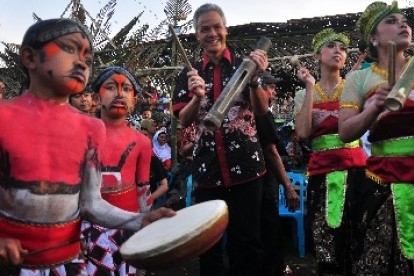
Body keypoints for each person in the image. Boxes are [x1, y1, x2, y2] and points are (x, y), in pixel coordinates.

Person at [0, 18, 175, 274]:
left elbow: (91, 204)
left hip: (70, 262)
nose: (81, 62)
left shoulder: (91, 130)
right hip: (12, 264)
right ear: (29, 57)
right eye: (68, 49)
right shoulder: (4, 119)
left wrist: (139, 220)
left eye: (88, 58)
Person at [338, 1, 414, 274]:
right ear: (373, 37)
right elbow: (346, 132)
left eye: (404, 19)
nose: (403, 24)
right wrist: (374, 108)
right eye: (391, 21)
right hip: (383, 180)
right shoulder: (358, 78)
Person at [171, 3, 270, 275]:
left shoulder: (245, 65)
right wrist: (198, 97)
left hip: (247, 170)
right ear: (197, 35)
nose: (211, 33)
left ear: (225, 29)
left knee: (247, 242)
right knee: (208, 244)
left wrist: (253, 80)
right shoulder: (188, 75)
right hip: (207, 170)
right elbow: (183, 120)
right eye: (204, 29)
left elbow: (261, 110)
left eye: (216, 26)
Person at [293, 28, 366, 275]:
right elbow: (303, 132)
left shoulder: (354, 86)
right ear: (316, 56)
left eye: (343, 48)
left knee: (355, 237)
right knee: (324, 240)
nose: (338, 51)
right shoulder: (304, 93)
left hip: (355, 171)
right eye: (331, 46)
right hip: (320, 172)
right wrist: (311, 87)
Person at [81, 66, 158, 275]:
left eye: (126, 89)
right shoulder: (81, 136)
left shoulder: (142, 141)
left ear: (134, 100)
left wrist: (145, 230)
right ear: (97, 98)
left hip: (129, 224)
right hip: (89, 228)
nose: (119, 94)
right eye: (111, 87)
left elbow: (143, 189)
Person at [256, 72, 300, 276]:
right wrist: (289, 187)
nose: (273, 92)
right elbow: (271, 151)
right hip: (263, 182)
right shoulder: (261, 114)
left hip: (250, 184)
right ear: (259, 88)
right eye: (270, 87)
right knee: (270, 230)